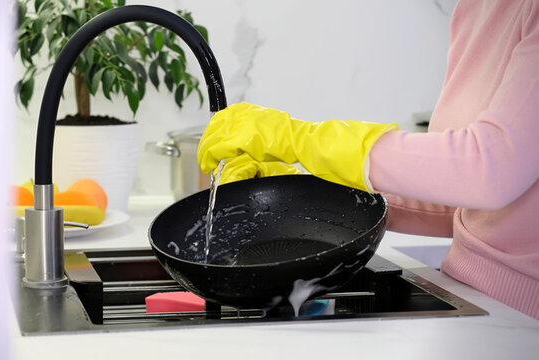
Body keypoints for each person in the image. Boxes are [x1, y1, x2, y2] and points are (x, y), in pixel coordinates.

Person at [196, 0, 539, 320]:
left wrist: (302, 140)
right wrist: (304, 191)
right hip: (473, 302)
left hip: (525, 321)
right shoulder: (476, 8)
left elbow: (489, 169)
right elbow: (462, 198)